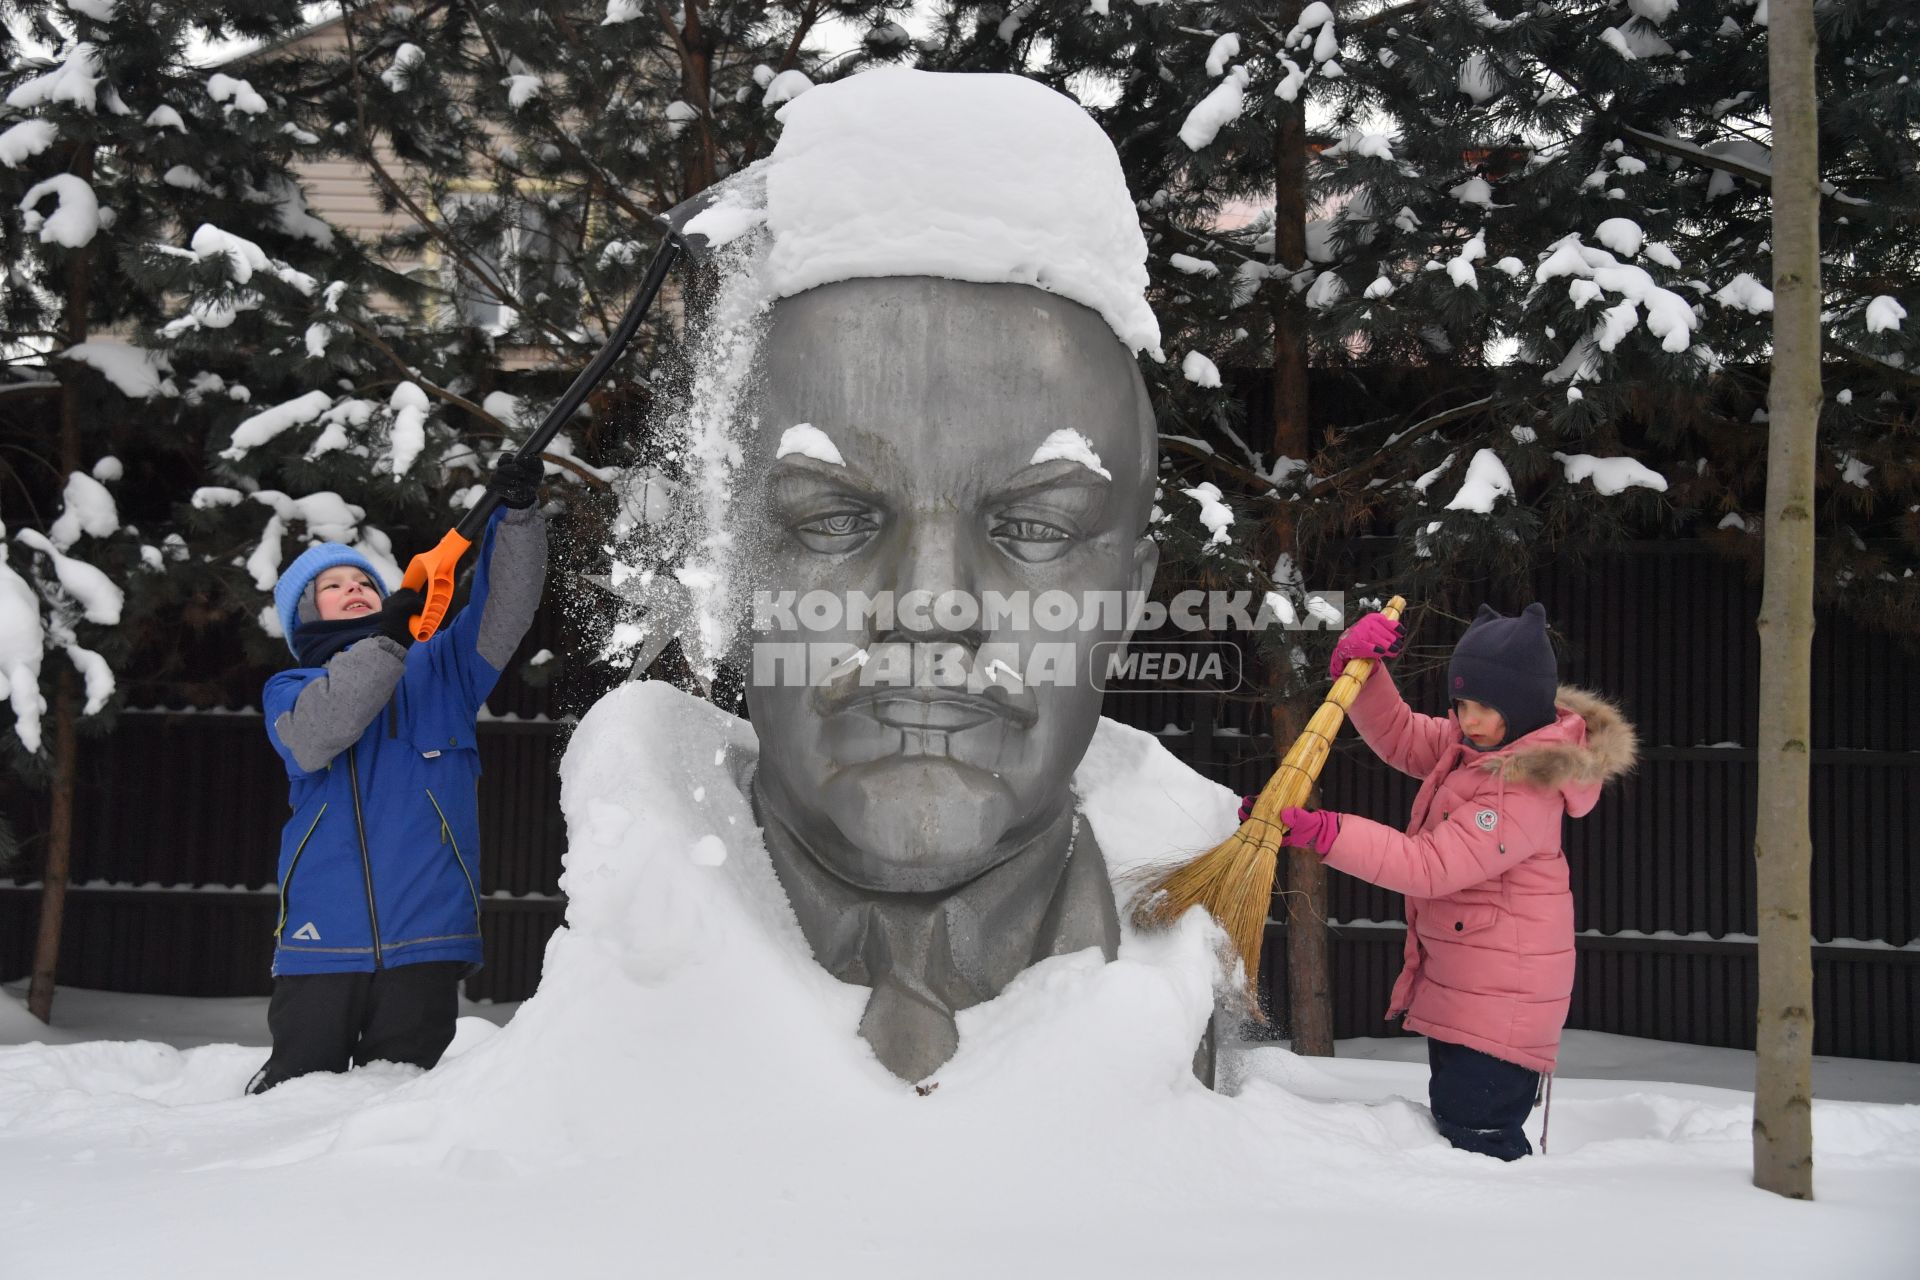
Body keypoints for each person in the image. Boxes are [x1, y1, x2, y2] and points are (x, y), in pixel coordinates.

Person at [1265, 603, 1636, 1158]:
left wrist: (1329, 834)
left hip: (1500, 1009)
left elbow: (1428, 866)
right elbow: (1402, 736)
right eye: (1461, 703)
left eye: (1485, 706)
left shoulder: (1523, 788)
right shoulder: (1482, 749)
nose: (1469, 719)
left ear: (1524, 705)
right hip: (1475, 995)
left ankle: (1504, 1238)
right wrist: (1364, 672)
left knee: (1480, 1142)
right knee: (1463, 1134)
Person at [246, 452, 548, 1094]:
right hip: (322, 935)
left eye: (365, 582)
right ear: (306, 615)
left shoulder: (444, 671)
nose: (355, 587)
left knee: (401, 1098)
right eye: (335, 586)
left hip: (428, 928)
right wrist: (387, 640)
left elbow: (506, 607)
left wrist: (517, 517)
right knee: (296, 1097)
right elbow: (321, 733)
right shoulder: (291, 687)